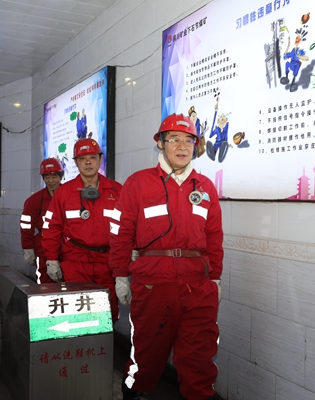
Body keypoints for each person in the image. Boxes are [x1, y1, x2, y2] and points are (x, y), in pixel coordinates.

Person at [108, 113, 224, 400]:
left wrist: (216, 278)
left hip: (198, 286)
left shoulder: (205, 187)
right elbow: (120, 232)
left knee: (199, 358)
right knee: (147, 355)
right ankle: (134, 392)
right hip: (153, 284)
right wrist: (120, 274)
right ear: (160, 143)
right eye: (174, 139)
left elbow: (214, 237)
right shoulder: (138, 183)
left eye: (188, 140)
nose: (182, 146)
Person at [42, 138, 122, 322]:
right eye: (82, 158)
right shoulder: (64, 193)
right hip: (75, 262)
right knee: (77, 314)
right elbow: (51, 227)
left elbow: (127, 228)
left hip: (107, 263)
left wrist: (126, 263)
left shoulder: (116, 191)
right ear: (76, 162)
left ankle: (104, 341)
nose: (88, 162)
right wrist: (51, 259)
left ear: (100, 160)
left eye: (92, 157)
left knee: (107, 312)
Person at [20, 158, 64, 284]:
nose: (51, 181)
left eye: (54, 176)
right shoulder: (34, 201)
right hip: (43, 246)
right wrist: (28, 248)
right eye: (47, 177)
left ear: (61, 176)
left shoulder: (70, 195)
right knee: (44, 281)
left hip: (67, 246)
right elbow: (26, 226)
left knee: (70, 282)